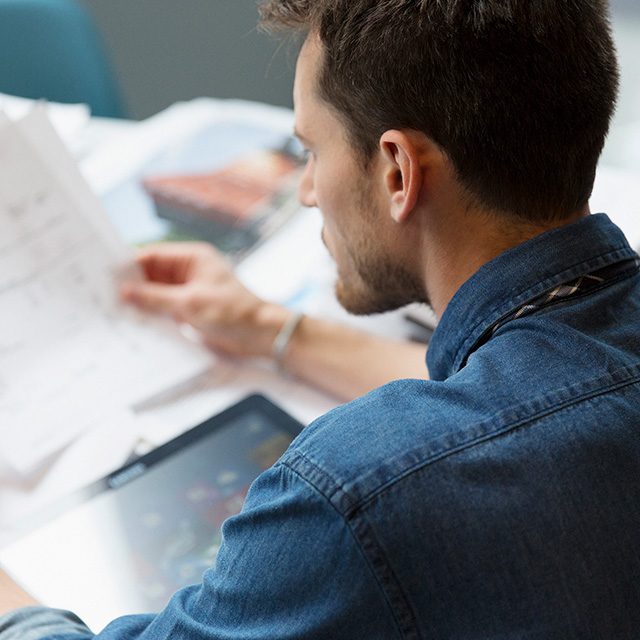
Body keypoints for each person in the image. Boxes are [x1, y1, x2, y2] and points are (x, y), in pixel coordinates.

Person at [1, 0, 639, 637]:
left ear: (398, 172)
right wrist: (271, 329)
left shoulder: (353, 491)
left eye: (310, 149)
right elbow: (529, 394)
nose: (307, 189)